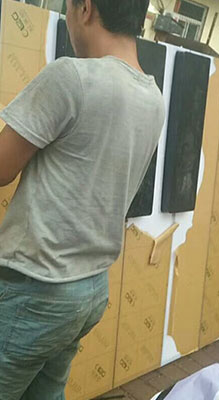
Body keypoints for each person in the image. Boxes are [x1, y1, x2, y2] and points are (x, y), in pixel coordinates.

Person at [0, 0, 165, 398]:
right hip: (89, 289)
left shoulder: (72, 77)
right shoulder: (153, 98)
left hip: (37, 288)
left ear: (86, 8)